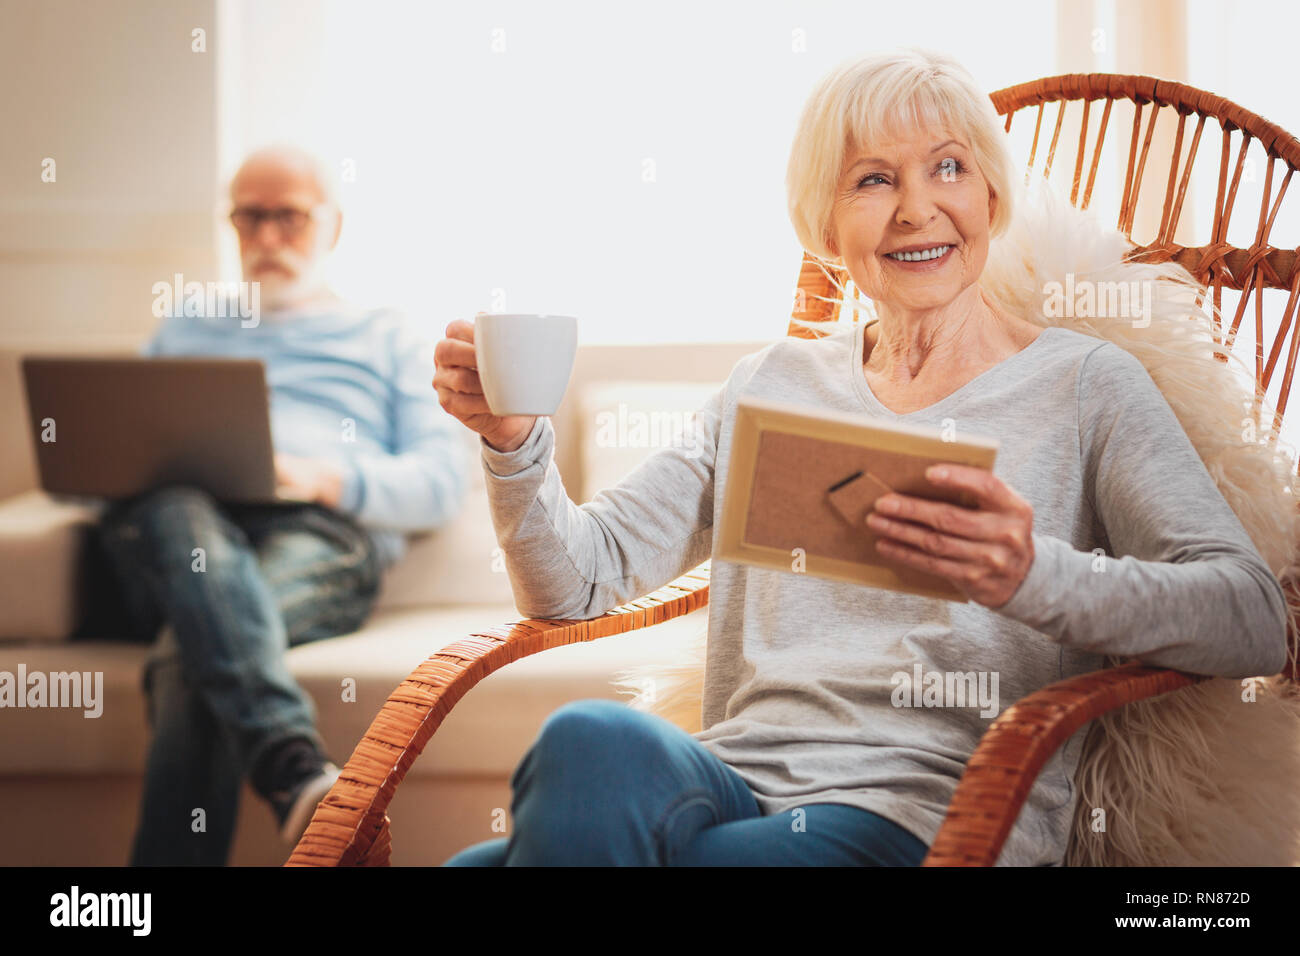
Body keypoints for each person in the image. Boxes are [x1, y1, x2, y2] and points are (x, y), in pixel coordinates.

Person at [431, 49, 1289, 866]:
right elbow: (576, 583)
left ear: (991, 196)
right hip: (728, 782)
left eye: (948, 167)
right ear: (826, 225)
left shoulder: (1084, 383)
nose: (917, 208)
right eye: (873, 179)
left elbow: (1251, 617)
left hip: (925, 817)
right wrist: (513, 448)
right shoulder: (771, 383)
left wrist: (1036, 576)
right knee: (591, 738)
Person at [96, 145, 470, 866]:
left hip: (315, 534)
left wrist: (323, 478)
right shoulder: (186, 327)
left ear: (333, 226)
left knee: (190, 656)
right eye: (250, 217)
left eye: (290, 218)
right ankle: (295, 771)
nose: (267, 238)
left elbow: (438, 483)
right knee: (177, 507)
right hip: (178, 540)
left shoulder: (385, 334)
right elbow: (110, 449)